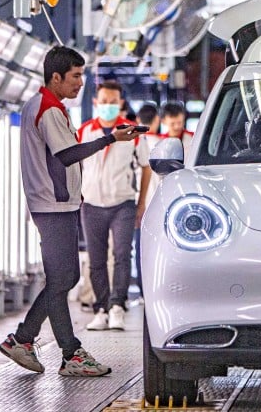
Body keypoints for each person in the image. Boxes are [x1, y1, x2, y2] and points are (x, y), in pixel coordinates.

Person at [0, 46, 141, 377]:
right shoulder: (48, 109)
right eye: (75, 76)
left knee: (64, 278)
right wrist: (110, 139)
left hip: (54, 204)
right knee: (64, 278)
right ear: (56, 77)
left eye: (82, 75)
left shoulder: (46, 105)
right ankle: (65, 352)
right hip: (53, 204)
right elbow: (67, 154)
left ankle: (26, 340)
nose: (81, 82)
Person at [77, 80, 151, 332]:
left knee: (122, 254)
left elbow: (146, 165)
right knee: (96, 258)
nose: (108, 106)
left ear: (120, 103)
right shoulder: (85, 131)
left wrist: (141, 202)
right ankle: (101, 309)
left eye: (113, 102)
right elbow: (75, 164)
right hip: (92, 204)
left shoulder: (133, 132)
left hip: (123, 203)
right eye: (103, 101)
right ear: (96, 103)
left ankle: (118, 305)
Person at [133, 102, 163, 297]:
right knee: (157, 250)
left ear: (137, 121)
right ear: (158, 120)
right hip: (158, 205)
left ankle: (143, 292)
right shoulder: (163, 145)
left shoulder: (131, 142)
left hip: (133, 202)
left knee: (139, 248)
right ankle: (155, 291)